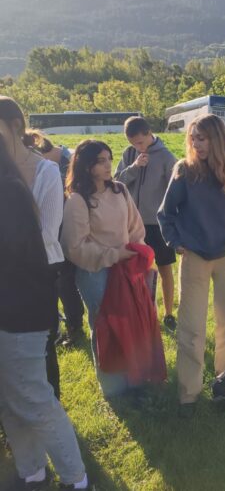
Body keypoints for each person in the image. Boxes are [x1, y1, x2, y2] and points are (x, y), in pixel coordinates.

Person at [0, 133, 91, 490]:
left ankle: (76, 480)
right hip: (14, 307)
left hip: (21, 310)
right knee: (11, 398)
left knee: (34, 397)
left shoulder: (10, 192)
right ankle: (32, 472)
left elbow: (21, 254)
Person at [158, 114, 225, 418]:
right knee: (191, 328)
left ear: (217, 139)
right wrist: (176, 242)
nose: (196, 144)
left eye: (202, 138)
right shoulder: (184, 171)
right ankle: (188, 394)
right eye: (193, 138)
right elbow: (165, 214)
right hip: (195, 258)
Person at [61, 140, 146, 398]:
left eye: (109, 158)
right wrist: (114, 255)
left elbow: (135, 227)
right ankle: (113, 387)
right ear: (86, 165)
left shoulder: (120, 190)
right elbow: (74, 246)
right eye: (101, 161)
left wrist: (138, 253)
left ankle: (134, 379)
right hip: (95, 272)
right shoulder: (78, 200)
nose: (109, 165)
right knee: (105, 327)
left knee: (129, 322)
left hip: (126, 268)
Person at [0, 96, 64, 399]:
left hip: (37, 276)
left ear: (15, 126)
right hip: (5, 276)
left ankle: (50, 409)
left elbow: (47, 235)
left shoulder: (45, 172)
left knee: (41, 354)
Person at [115, 116, 178, 332]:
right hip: (133, 224)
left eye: (140, 142)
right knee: (137, 270)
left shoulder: (166, 157)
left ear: (149, 133)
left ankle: (168, 314)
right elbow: (117, 183)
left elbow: (175, 190)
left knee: (164, 267)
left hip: (158, 225)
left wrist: (172, 219)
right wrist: (134, 167)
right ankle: (143, 312)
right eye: (133, 143)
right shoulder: (128, 154)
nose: (137, 147)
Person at [27, 129, 85, 348]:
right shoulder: (48, 164)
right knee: (63, 284)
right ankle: (70, 326)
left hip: (69, 233)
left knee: (66, 284)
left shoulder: (67, 164)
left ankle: (75, 328)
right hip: (56, 234)